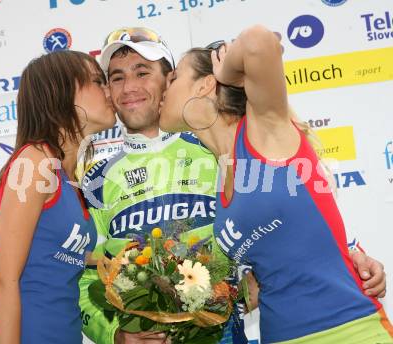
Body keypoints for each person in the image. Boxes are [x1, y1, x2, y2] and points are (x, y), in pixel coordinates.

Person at [79, 27, 388, 344]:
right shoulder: (94, 175)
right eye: (116, 77)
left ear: (169, 79)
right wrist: (113, 333)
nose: (130, 87)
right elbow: (82, 271)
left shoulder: (227, 148)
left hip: (297, 328)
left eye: (143, 72)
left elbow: (301, 204)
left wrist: (353, 252)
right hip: (279, 330)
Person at [0, 50, 116, 344]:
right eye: (97, 81)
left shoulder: (67, 177)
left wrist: (113, 260)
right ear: (61, 93)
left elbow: (49, 256)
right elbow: (3, 281)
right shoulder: (34, 162)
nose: (109, 90)